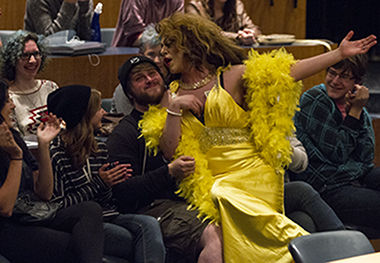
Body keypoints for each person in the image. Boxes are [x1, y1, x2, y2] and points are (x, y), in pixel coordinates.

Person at [138, 13, 376, 262]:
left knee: (224, 194)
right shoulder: (170, 94)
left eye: (169, 44)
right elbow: (169, 151)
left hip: (253, 173)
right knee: (221, 196)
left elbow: (288, 72)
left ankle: (330, 253)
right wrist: (175, 109)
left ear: (190, 46)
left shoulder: (231, 76)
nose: (163, 51)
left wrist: (337, 55)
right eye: (162, 45)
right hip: (208, 182)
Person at [108, 56, 223, 263]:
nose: (149, 79)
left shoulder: (187, 117)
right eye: (139, 78)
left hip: (199, 198)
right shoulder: (125, 133)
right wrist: (169, 172)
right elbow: (123, 192)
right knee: (215, 235)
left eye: (153, 74)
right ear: (129, 92)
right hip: (153, 208)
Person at [47, 85, 166, 263]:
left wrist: (111, 183)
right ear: (84, 115)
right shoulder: (57, 152)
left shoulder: (99, 148)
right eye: (98, 109)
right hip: (82, 224)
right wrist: (100, 183)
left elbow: (106, 201)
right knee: (133, 241)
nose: (103, 112)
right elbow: (60, 206)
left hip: (109, 214)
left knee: (149, 225)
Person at [0, 79, 105, 263]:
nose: (12, 105)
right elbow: (5, 208)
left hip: (31, 212)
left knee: (90, 210)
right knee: (75, 245)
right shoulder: (11, 146)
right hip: (7, 225)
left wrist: (43, 144)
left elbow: (44, 193)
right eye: (8, 100)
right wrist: (16, 157)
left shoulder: (13, 135)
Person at [293, 54, 380, 233]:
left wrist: (357, 110)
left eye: (344, 76)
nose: (335, 81)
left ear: (357, 82)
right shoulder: (316, 99)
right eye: (332, 73)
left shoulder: (353, 102)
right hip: (327, 185)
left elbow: (366, 155)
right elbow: (338, 153)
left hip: (354, 176)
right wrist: (354, 114)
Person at [0, 30, 58, 137]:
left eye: (36, 54)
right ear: (13, 60)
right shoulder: (8, 98)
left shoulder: (51, 87)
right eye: (25, 55)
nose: (32, 61)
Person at [284, 136, 345, 233]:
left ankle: (342, 243)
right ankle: (346, 243)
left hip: (280, 196)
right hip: (254, 198)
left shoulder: (275, 123)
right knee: (301, 191)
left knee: (305, 222)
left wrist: (284, 150)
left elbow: (302, 163)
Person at [111, 24, 168, 115]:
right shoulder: (125, 89)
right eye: (151, 54)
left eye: (161, 54)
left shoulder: (172, 77)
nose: (157, 60)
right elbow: (131, 123)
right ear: (141, 55)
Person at [185, 0, 261, 45]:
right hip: (204, 60)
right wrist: (237, 37)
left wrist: (249, 34)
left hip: (232, 56)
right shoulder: (195, 6)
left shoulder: (236, 4)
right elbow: (205, 33)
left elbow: (253, 28)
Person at [111, 0, 184, 47]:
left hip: (165, 52)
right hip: (129, 53)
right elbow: (133, 37)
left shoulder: (177, 1)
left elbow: (178, 30)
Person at [24, 0, 93, 40]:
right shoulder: (37, 1)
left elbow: (88, 36)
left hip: (77, 58)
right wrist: (69, 4)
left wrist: (84, 5)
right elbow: (49, 40)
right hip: (41, 60)